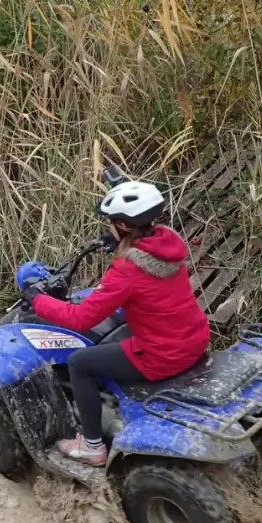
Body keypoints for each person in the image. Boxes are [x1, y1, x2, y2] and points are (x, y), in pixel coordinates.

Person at [23, 180, 210, 465]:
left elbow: (81, 317)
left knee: (80, 363)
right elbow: (148, 294)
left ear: (123, 225)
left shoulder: (127, 270)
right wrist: (120, 245)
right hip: (194, 340)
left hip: (164, 356)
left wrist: (37, 299)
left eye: (111, 222)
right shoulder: (169, 249)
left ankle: (92, 445)